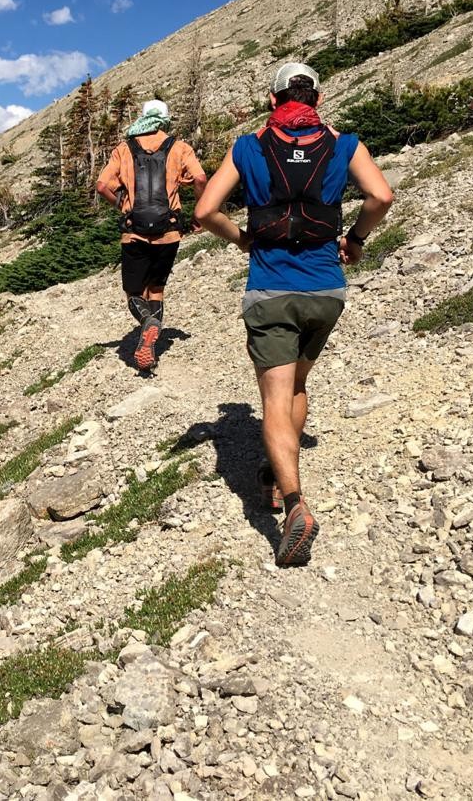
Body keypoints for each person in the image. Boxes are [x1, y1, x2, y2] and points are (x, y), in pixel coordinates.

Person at [193, 62, 394, 567]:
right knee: (299, 383)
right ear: (318, 98)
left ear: (272, 99)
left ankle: (295, 504)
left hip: (270, 290)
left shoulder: (248, 147)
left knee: (275, 397)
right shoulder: (344, 144)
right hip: (326, 290)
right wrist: (355, 239)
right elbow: (381, 195)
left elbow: (204, 212)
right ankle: (278, 474)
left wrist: (242, 240)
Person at [96, 100, 208, 371]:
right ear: (165, 120)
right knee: (156, 288)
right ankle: (153, 338)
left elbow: (101, 186)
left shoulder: (124, 149)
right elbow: (200, 179)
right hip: (168, 231)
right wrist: (199, 213)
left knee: (134, 291)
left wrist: (122, 207)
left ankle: (147, 322)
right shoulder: (179, 147)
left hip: (134, 232)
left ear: (143, 118)